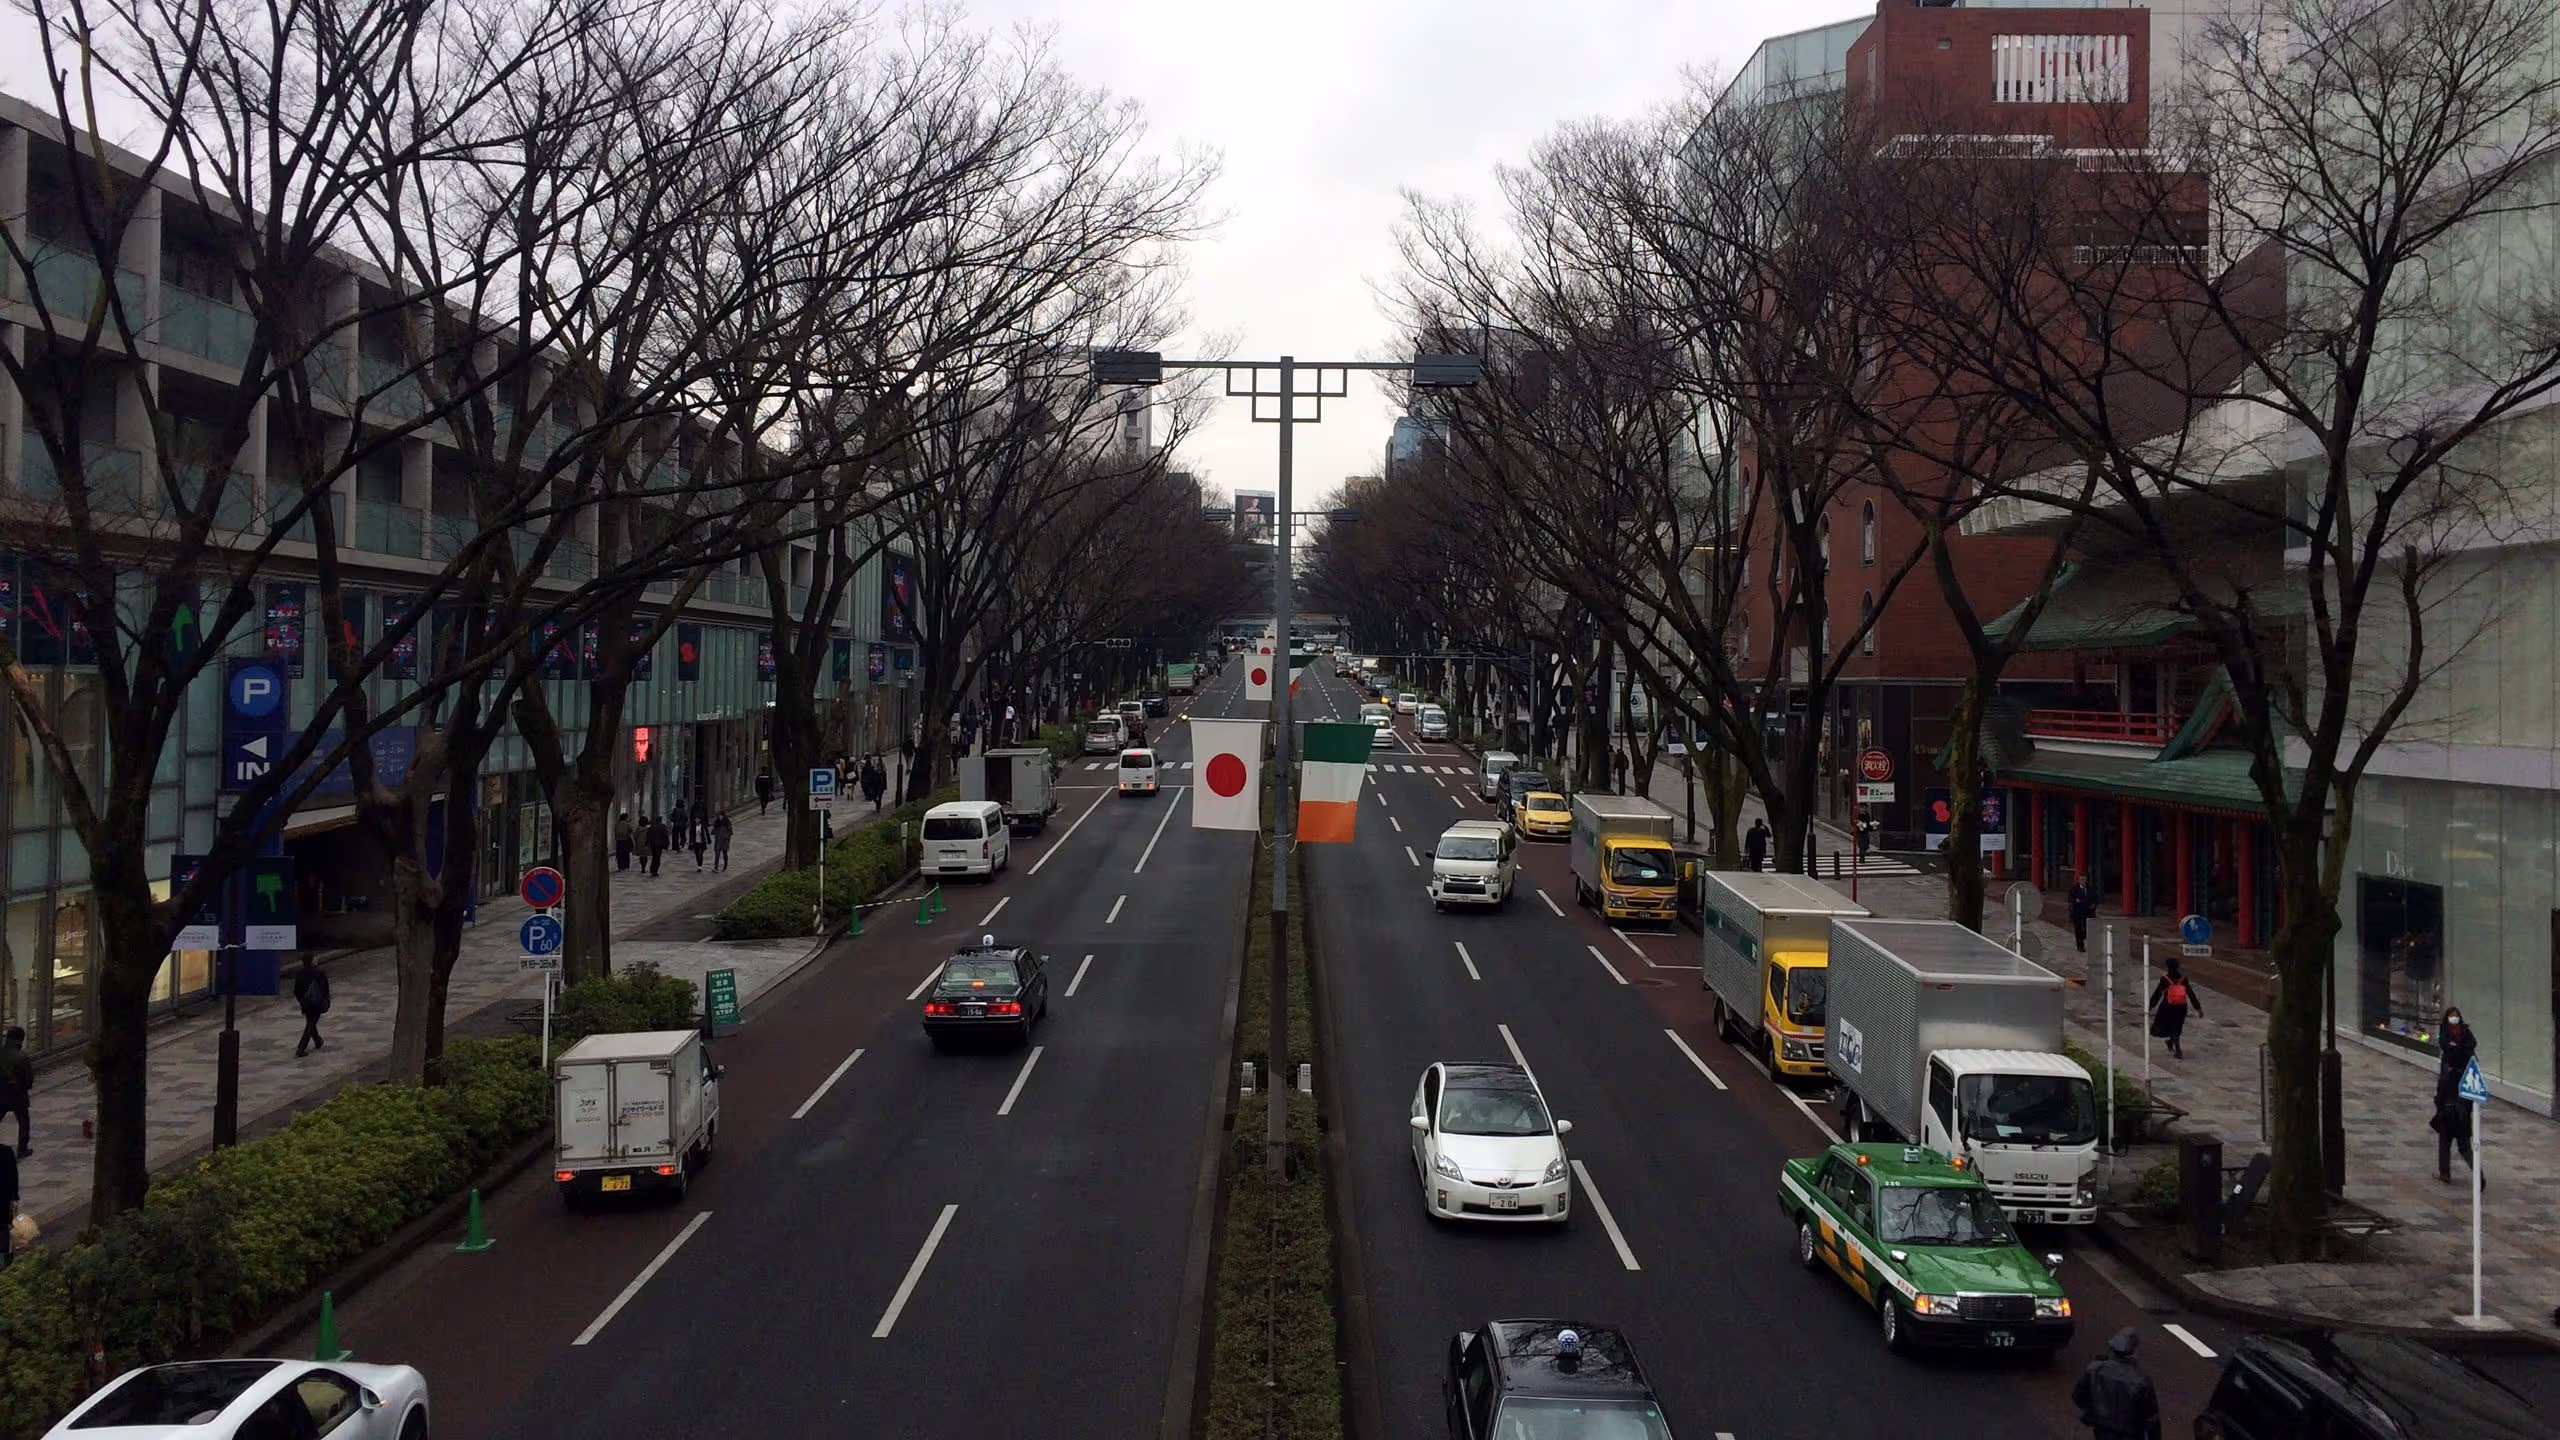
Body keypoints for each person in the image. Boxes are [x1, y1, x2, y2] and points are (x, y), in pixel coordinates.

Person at [2072, 1329, 2161, 1440]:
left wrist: (2093, 1412)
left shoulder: (2095, 1369)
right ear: (2134, 1352)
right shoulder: (2141, 1380)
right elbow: (2152, 1419)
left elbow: (2077, 1396)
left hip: (2102, 1432)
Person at [2433, 1006, 2480, 1183]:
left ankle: (2445, 1173)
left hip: (2451, 1105)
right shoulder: (2464, 1058)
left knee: (2447, 1140)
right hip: (2461, 1105)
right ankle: (2478, 1175)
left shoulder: (2450, 1064)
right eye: (2452, 1016)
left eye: (2456, 1016)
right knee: (2463, 1144)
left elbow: (2443, 1085)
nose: (2454, 1018)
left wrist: (2438, 1103)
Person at [2148, 958, 2203, 1059]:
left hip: (2168, 1007)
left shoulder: (2165, 979)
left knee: (2170, 1027)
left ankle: (2178, 1050)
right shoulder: (2183, 979)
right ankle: (2171, 1042)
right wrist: (2198, 1008)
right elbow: (2191, 994)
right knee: (2177, 1027)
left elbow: (2157, 993)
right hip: (2181, 1007)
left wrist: (2151, 1005)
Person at [0, 1025, 31, 1157]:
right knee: (24, 1122)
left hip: (1, 1095)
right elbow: (29, 1080)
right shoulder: (22, 1057)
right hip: (18, 1096)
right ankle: (22, 1149)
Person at [292, 954, 332, 1058]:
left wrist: (301, 1000)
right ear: (312, 961)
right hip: (316, 1002)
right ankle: (301, 1048)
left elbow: (296, 990)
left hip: (305, 1002)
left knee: (311, 1021)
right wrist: (326, 1000)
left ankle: (318, 1040)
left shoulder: (300, 973)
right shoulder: (320, 972)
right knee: (311, 1024)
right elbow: (325, 988)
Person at [2068, 875, 2097, 954]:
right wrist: (2076, 901)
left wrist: (2094, 904)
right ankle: (2080, 946)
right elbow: (2070, 899)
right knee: (2078, 930)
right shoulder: (2074, 889)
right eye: (2081, 880)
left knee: (2088, 929)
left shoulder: (2090, 888)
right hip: (2078, 913)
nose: (2083, 881)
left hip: (2088, 912)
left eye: (2084, 880)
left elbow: (2095, 898)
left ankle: (2087, 941)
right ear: (2078, 881)